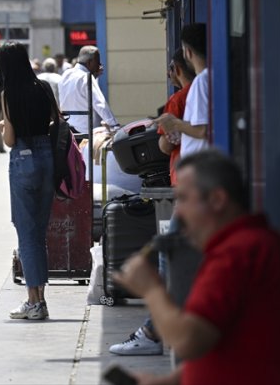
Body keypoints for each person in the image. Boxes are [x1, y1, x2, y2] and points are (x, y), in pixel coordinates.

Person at [113, 150, 280, 385]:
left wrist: (151, 289)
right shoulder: (253, 245)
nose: (179, 211)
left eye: (184, 198)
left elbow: (187, 339)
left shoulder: (238, 254)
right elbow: (231, 341)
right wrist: (171, 381)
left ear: (217, 200)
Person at [110, 48, 197, 357]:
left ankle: (154, 330)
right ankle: (157, 328)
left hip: (187, 185)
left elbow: (162, 144)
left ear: (176, 66)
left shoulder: (180, 99)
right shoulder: (206, 88)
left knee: (167, 255)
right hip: (196, 184)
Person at [0, 42, 56, 320]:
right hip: (47, 158)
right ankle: (39, 298)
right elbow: (57, 120)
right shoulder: (43, 87)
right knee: (39, 233)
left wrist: (4, 127)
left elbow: (9, 140)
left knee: (26, 234)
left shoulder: (9, 94)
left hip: (24, 159)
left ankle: (34, 301)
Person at [154, 24, 208, 158]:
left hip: (199, 165)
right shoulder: (214, 78)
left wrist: (174, 123)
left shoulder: (201, 82)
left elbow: (204, 130)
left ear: (188, 52)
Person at [58, 45, 120, 137]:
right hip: (86, 131)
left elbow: (79, 93)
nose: (100, 64)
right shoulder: (86, 77)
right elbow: (100, 104)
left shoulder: (66, 74)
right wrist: (114, 125)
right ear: (90, 62)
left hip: (69, 129)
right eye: (98, 61)